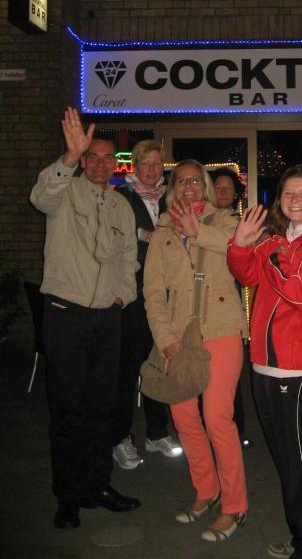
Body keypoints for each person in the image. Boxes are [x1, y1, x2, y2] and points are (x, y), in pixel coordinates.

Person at [30, 107, 140, 529]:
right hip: (66, 315)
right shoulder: (64, 191)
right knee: (68, 409)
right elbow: (40, 197)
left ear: (115, 165)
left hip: (106, 319)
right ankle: (69, 495)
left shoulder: (120, 206)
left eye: (106, 158)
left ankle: (97, 485)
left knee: (101, 407)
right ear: (82, 159)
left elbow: (129, 259)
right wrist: (69, 157)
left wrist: (122, 296)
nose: (99, 164)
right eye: (91, 157)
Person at [227, 165, 302, 559]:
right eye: (287, 193)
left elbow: (300, 294)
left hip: (294, 369)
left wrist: (268, 249)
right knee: (286, 463)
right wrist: (241, 244)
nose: (294, 200)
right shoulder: (284, 239)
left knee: (301, 467)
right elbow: (248, 276)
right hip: (264, 363)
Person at [144, 159, 248, 542]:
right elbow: (153, 291)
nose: (188, 186)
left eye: (195, 180)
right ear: (173, 188)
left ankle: (235, 505)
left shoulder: (225, 221)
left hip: (221, 329)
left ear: (204, 185)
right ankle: (207, 490)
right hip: (179, 337)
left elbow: (241, 252)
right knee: (184, 416)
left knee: (217, 417)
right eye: (181, 180)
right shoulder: (162, 230)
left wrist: (198, 232)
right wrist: (164, 339)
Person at [112, 139, 182, 469]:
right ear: (135, 166)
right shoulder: (121, 197)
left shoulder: (172, 198)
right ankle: (119, 436)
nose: (152, 169)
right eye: (146, 163)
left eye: (157, 163)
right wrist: (141, 234)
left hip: (166, 297)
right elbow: (109, 234)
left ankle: (157, 432)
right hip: (134, 295)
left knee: (159, 365)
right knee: (127, 369)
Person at [208, 166, 254, 450]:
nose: (224, 193)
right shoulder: (200, 220)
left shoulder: (240, 224)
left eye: (229, 188)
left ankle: (236, 431)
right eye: (218, 187)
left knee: (229, 376)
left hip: (230, 305)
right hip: (202, 307)